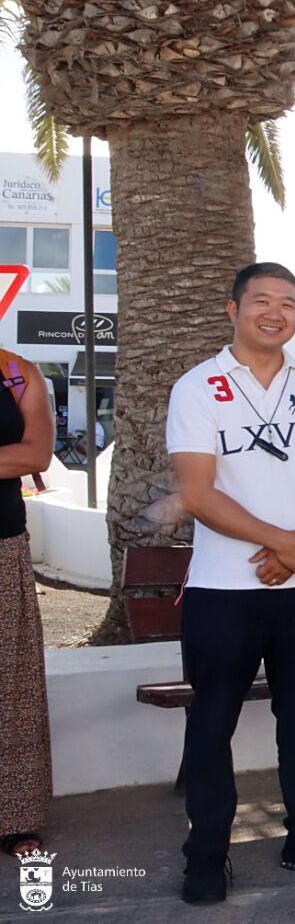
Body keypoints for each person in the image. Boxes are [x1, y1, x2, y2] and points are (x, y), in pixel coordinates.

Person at [166, 263, 295, 906]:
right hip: (224, 588)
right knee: (212, 721)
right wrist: (284, 543)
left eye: (289, 302)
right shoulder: (199, 387)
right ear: (233, 309)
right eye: (262, 301)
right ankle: (207, 854)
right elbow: (196, 492)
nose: (275, 312)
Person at [0, 344, 55, 859]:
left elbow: (35, 454)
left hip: (1, 545)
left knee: (10, 687)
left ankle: (14, 817)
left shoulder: (15, 372)